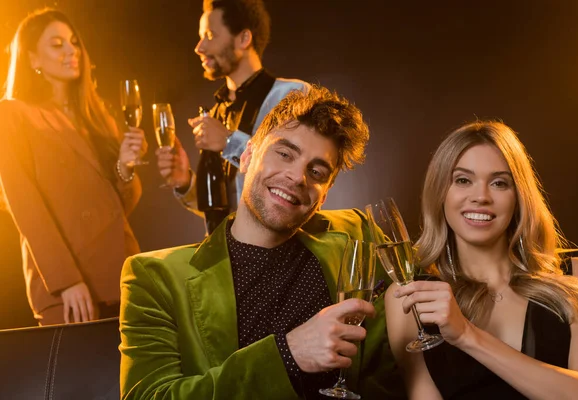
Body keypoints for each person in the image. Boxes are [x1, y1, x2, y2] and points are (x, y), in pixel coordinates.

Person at [120, 86, 402, 399]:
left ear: (325, 194)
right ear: (248, 155)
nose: (298, 177)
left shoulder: (357, 233)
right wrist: (288, 355)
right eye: (284, 154)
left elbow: (433, 267)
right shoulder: (153, 277)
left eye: (317, 171)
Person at [385, 121, 578, 399]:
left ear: (518, 197)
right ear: (440, 192)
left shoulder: (575, 275)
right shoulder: (408, 297)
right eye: (463, 180)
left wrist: (466, 336)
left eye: (499, 183)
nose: (481, 197)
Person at [0, 8, 146, 325]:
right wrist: (66, 281)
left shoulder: (98, 118)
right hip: (68, 288)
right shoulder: (13, 114)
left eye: (74, 42)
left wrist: (125, 165)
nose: (71, 51)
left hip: (123, 278)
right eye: (57, 44)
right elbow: (25, 205)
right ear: (32, 59)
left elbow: (119, 209)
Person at [156, 0, 310, 234]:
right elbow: (227, 207)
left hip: (276, 261)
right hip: (224, 261)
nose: (199, 47)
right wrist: (185, 181)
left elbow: (293, 183)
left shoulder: (292, 95)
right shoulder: (218, 111)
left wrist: (229, 142)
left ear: (243, 39)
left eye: (209, 35)